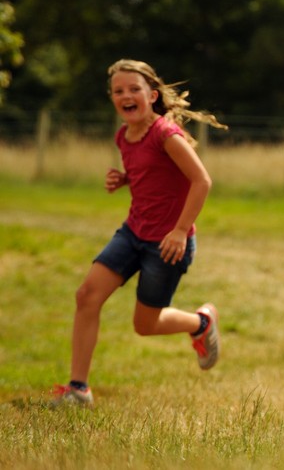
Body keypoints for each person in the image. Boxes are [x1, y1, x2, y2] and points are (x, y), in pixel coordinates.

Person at [50, 60, 226, 408]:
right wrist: (126, 179)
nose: (126, 95)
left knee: (145, 324)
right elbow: (155, 172)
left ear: (152, 95)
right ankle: (78, 389)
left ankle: (201, 322)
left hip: (167, 244)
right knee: (86, 295)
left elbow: (201, 181)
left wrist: (179, 230)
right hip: (132, 233)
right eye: (119, 91)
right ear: (112, 98)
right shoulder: (123, 136)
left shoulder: (166, 134)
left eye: (134, 89)